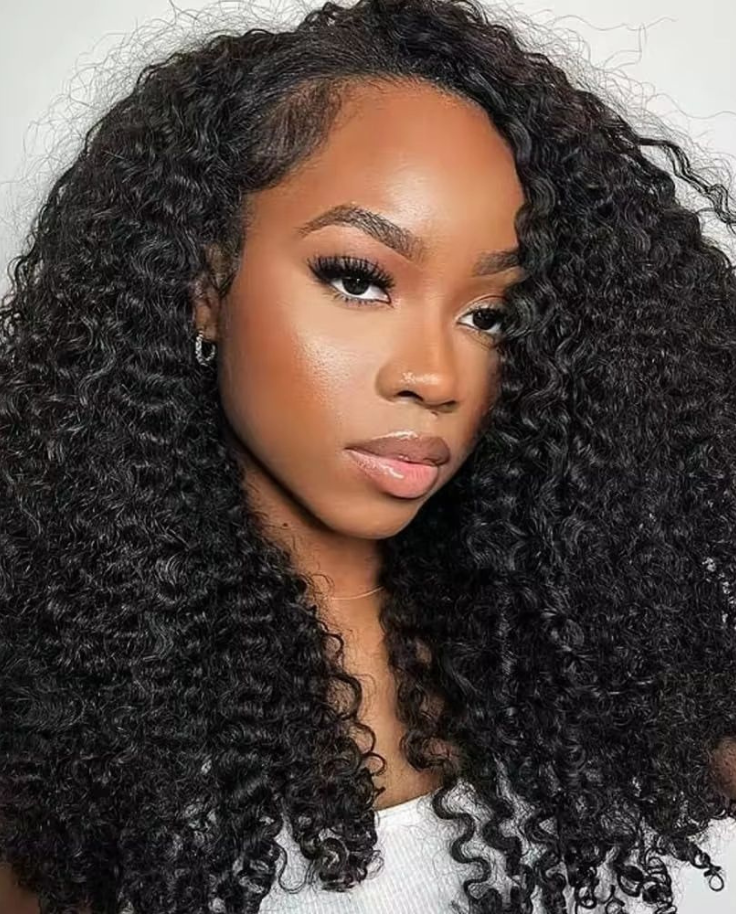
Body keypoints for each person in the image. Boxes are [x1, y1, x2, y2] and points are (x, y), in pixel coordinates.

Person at [1, 0, 736, 910]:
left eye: (489, 314)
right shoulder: (61, 738)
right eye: (358, 279)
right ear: (203, 284)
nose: (436, 375)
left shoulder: (609, 657)